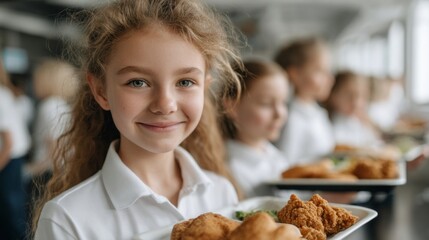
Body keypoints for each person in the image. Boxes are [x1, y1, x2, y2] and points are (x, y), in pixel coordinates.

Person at [31, 1, 299, 239]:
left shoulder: (220, 191)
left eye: (185, 81)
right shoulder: (67, 220)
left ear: (204, 88)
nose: (165, 104)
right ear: (101, 91)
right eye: (138, 82)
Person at [222, 60, 290, 198]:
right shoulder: (228, 168)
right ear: (232, 107)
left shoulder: (276, 157)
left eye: (283, 102)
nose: (279, 113)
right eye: (266, 104)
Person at [274, 38, 335, 165]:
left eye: (328, 71)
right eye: (319, 71)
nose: (330, 78)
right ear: (294, 74)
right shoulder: (292, 118)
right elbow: (287, 166)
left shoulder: (315, 111)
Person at [26, 59, 77, 177]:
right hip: (60, 169)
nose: (34, 84)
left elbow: (54, 145)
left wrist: (32, 170)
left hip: (48, 172)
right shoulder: (61, 104)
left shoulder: (49, 105)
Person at [0, 59, 31, 240]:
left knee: (11, 214)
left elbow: (9, 143)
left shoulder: (1, 95)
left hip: (8, 159)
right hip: (10, 159)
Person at [325, 71, 382, 148]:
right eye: (349, 95)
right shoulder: (327, 124)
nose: (356, 102)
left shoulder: (361, 123)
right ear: (333, 95)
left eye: (362, 96)